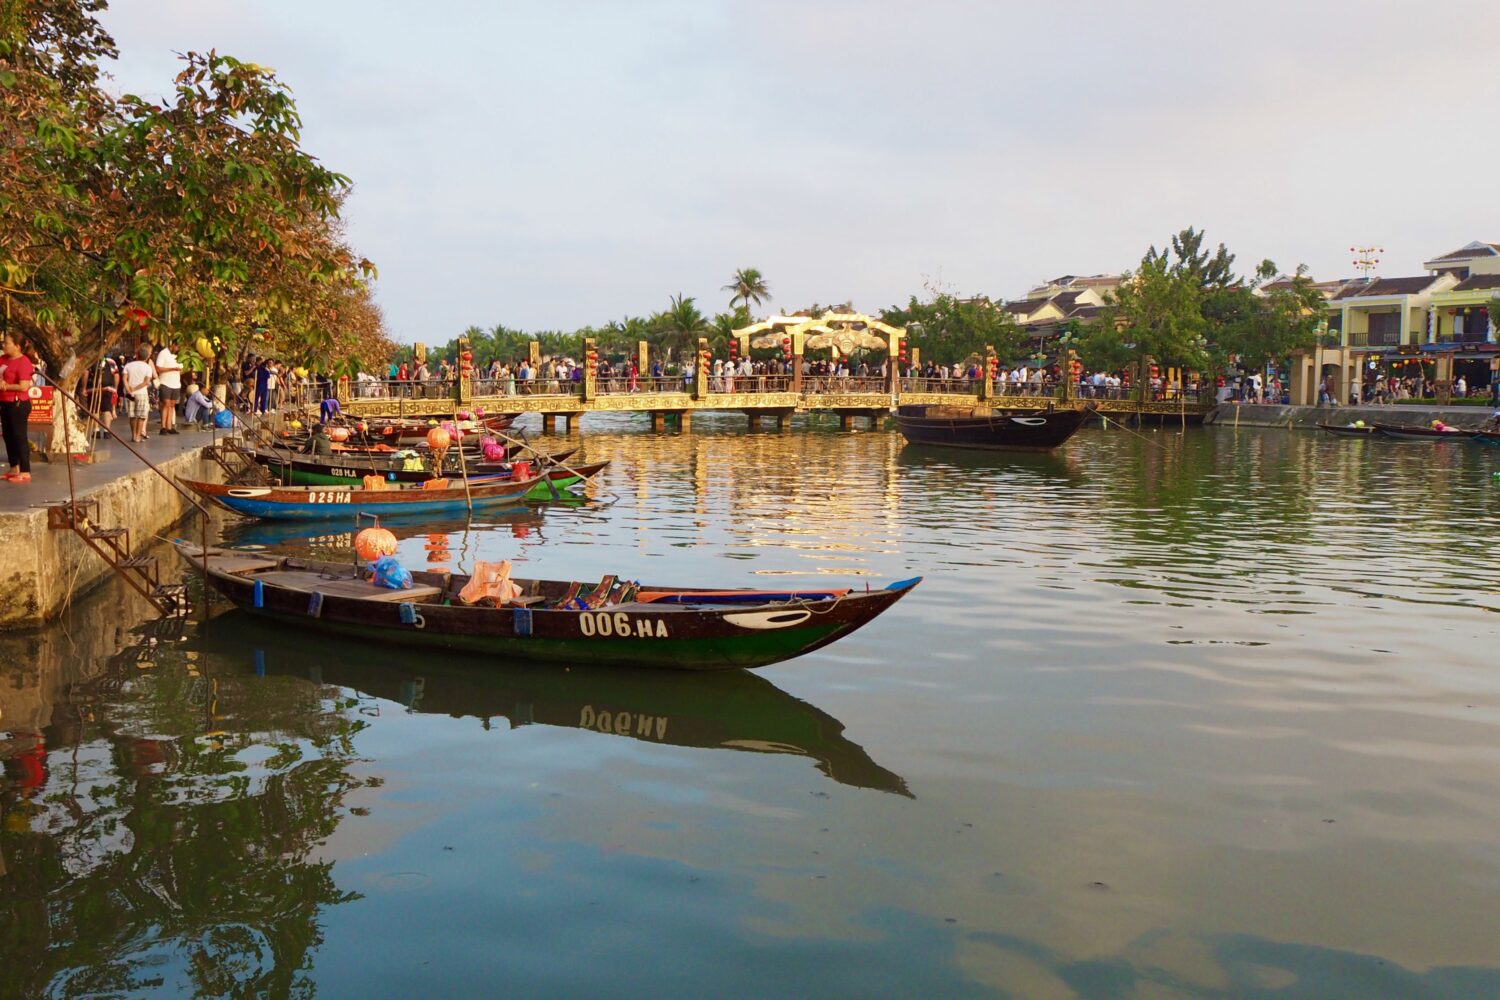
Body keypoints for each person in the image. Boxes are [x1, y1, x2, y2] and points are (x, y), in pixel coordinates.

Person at [0, 332, 36, 483]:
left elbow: (24, 386)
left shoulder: (23, 362)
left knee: (19, 436)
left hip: (18, 403)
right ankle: (14, 467)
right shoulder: (3, 359)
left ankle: (25, 470)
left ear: (17, 346)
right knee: (8, 436)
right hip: (4, 401)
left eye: (7, 343)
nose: (4, 345)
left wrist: (6, 386)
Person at [122, 344, 155, 443]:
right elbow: (146, 382)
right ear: (147, 356)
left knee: (132, 415)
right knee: (141, 416)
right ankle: (137, 436)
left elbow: (124, 378)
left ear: (137, 354)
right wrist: (135, 388)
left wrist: (128, 389)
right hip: (141, 393)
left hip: (130, 394)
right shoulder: (147, 367)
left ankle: (133, 435)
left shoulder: (129, 365)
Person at [155, 340, 183, 435]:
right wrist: (172, 369)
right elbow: (158, 368)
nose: (178, 349)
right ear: (173, 345)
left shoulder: (179, 356)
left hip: (176, 383)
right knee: (166, 404)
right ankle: (163, 427)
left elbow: (181, 370)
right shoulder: (163, 353)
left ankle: (169, 426)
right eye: (177, 347)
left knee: (172, 405)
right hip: (165, 382)